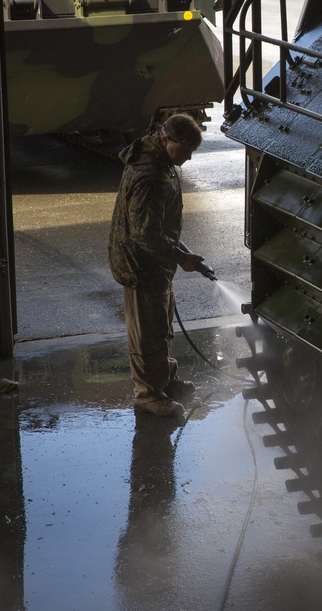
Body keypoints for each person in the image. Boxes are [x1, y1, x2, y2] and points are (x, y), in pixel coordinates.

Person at [108, 114, 205, 418]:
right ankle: (148, 395)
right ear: (166, 140)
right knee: (147, 333)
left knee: (161, 327)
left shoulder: (162, 160)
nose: (187, 159)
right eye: (185, 151)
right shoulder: (149, 174)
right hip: (141, 266)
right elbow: (145, 234)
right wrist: (180, 258)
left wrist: (177, 252)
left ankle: (164, 380)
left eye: (192, 152)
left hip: (157, 263)